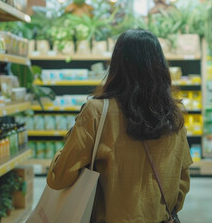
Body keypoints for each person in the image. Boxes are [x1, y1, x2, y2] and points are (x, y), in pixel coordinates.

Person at [47, 29, 192, 223]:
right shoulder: (173, 116)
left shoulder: (98, 112)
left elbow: (59, 178)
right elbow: (182, 182)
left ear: (117, 65)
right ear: (160, 65)